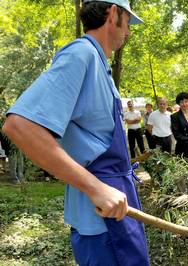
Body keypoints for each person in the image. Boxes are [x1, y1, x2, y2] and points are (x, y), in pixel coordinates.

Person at [1, 1, 150, 265]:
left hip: (116, 209)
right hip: (100, 223)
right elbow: (19, 125)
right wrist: (95, 189)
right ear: (113, 13)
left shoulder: (100, 64)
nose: (129, 32)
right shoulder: (81, 55)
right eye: (128, 22)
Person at [171, 92, 188, 165]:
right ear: (179, 104)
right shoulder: (174, 116)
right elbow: (177, 135)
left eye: (186, 101)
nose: (184, 104)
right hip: (183, 148)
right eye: (182, 102)